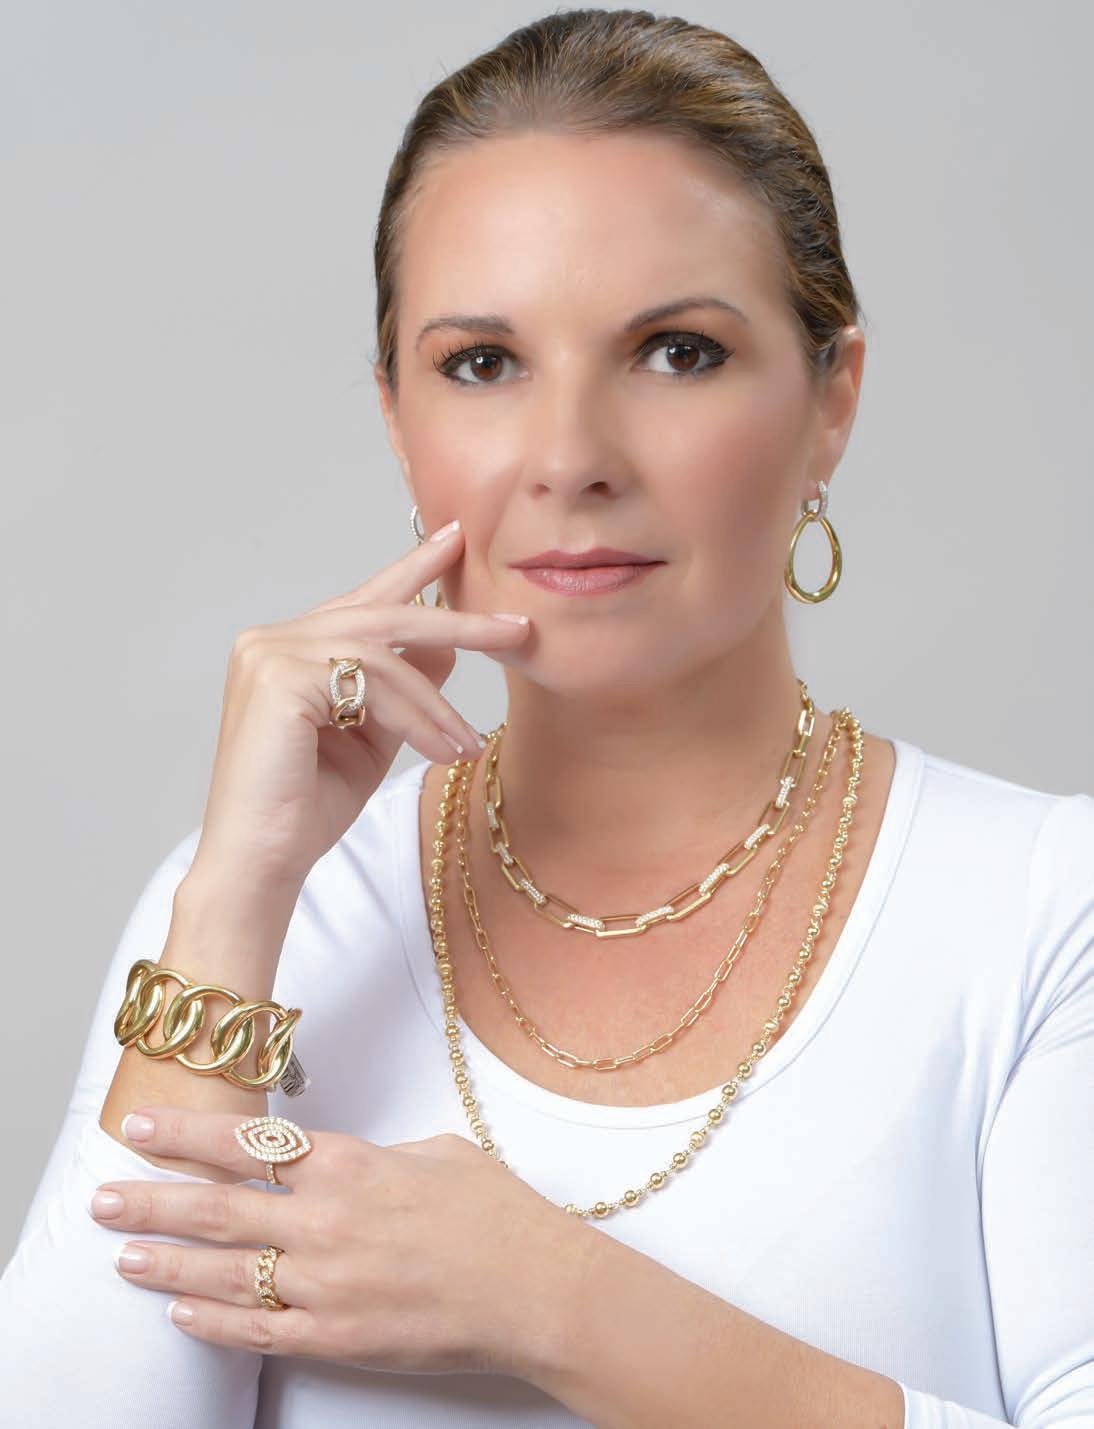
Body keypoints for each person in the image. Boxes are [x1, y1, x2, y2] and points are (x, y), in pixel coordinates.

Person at [2, 9, 1091, 1427]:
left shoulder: (1039, 913)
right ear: (396, 417)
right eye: (482, 363)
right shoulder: (263, 915)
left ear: (832, 399)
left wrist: (554, 1301)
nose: (570, 458)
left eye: (676, 352)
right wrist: (232, 893)